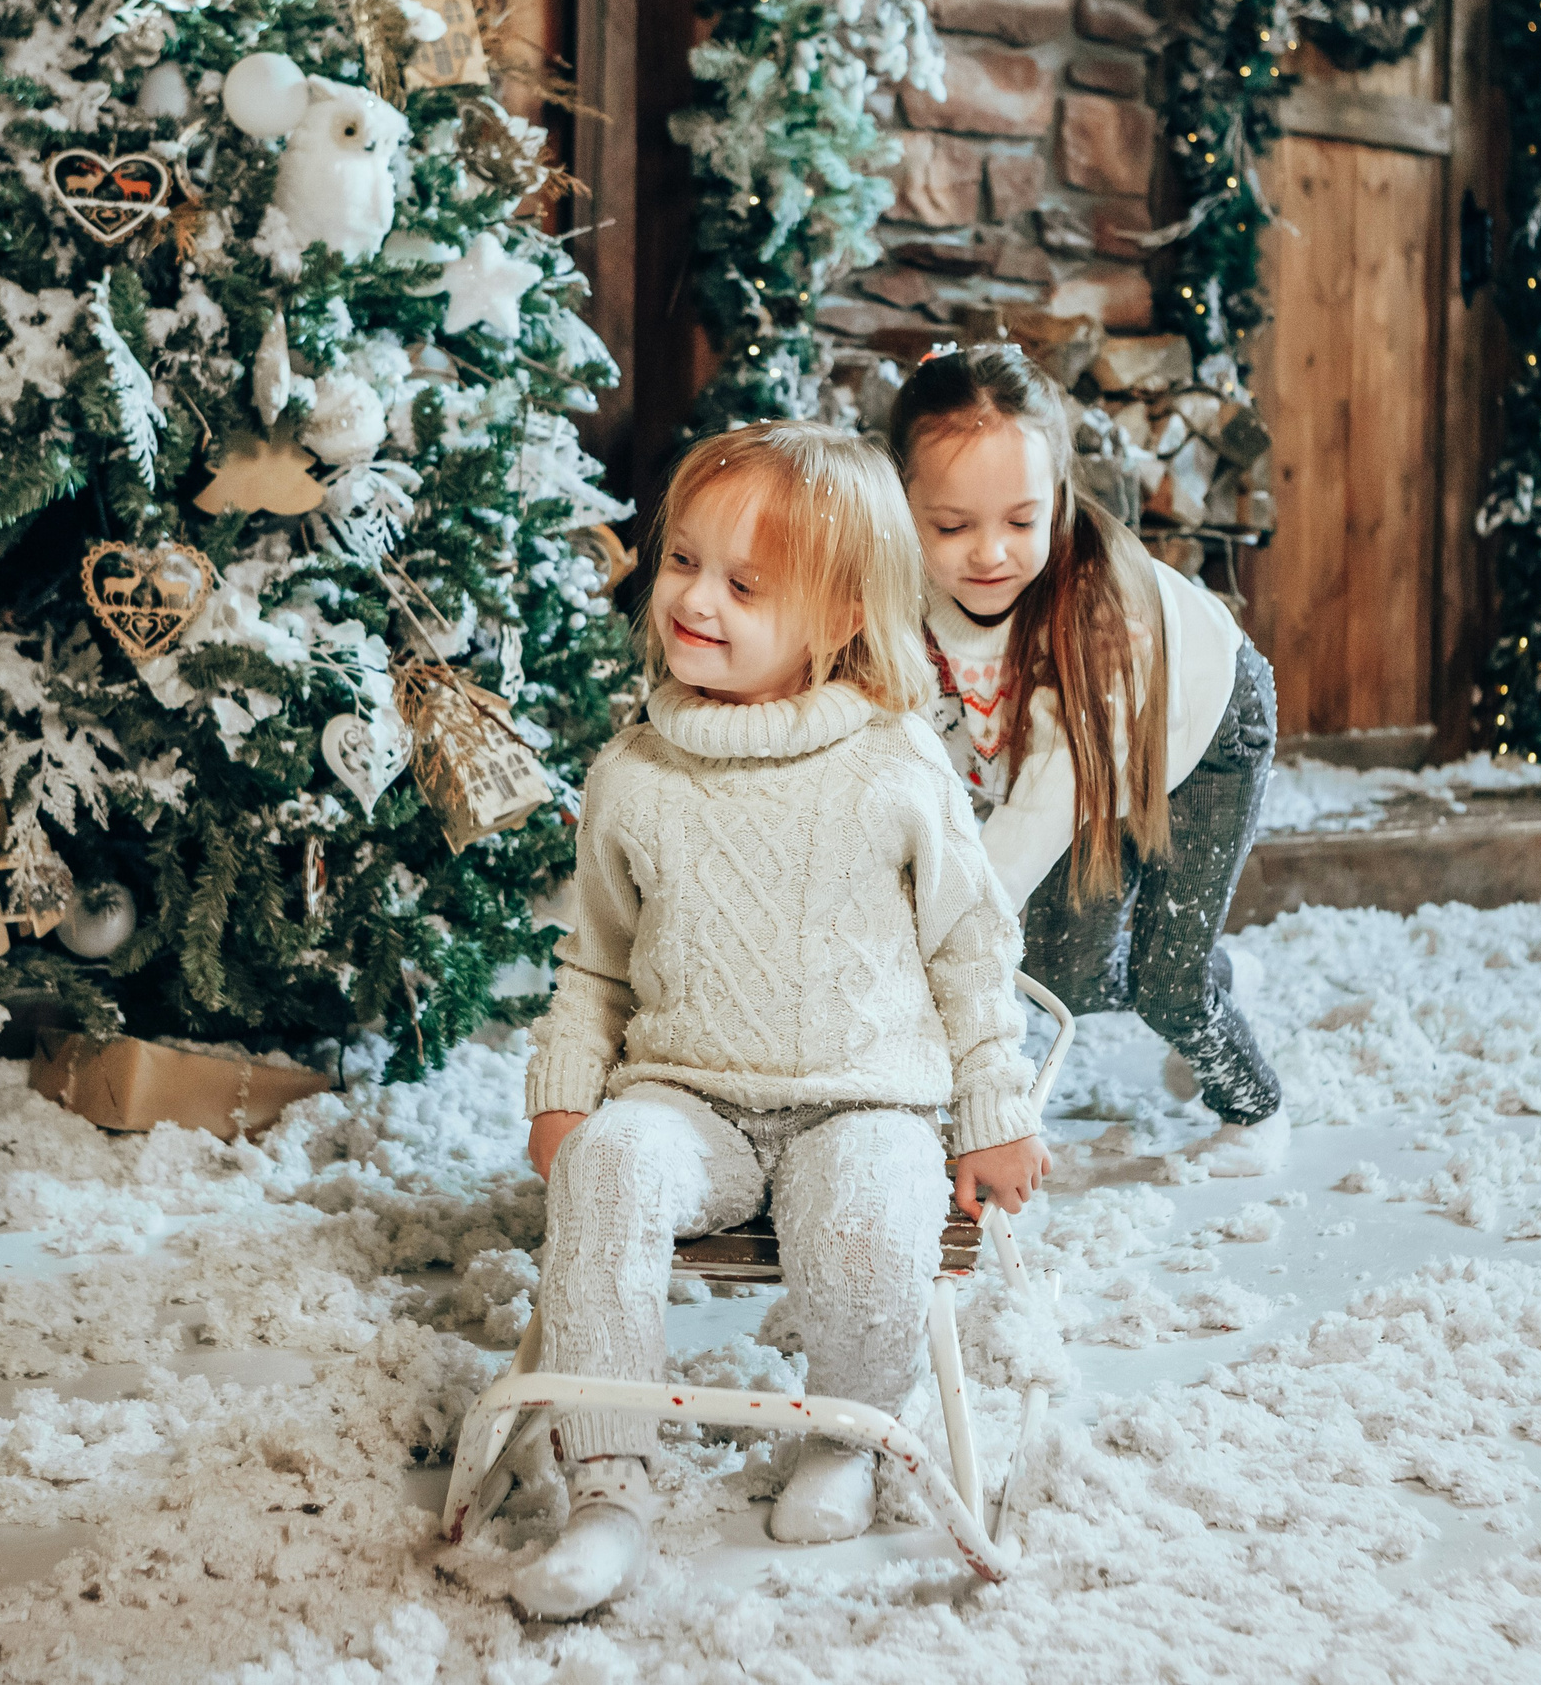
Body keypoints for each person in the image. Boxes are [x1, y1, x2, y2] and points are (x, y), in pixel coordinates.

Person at [514, 420, 1051, 1619]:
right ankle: (608, 1483)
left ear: (841, 615)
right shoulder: (633, 772)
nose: (694, 599)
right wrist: (565, 1082)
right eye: (682, 562)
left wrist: (990, 1108)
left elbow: (971, 951)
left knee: (869, 1224)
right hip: (686, 1094)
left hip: (864, 1093)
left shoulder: (894, 763)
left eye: (744, 584)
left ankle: (850, 1429)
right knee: (604, 1166)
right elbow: (592, 956)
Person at [889, 344, 1287, 1176]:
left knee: (1166, 978)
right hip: (1075, 759)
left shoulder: (1100, 619)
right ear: (901, 505)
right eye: (952, 526)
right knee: (1061, 969)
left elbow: (1038, 816)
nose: (989, 553)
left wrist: (927, 941)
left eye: (1022, 522)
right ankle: (1211, 967)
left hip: (1206, 732)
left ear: (1060, 496)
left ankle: (1254, 1106)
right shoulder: (892, 589)